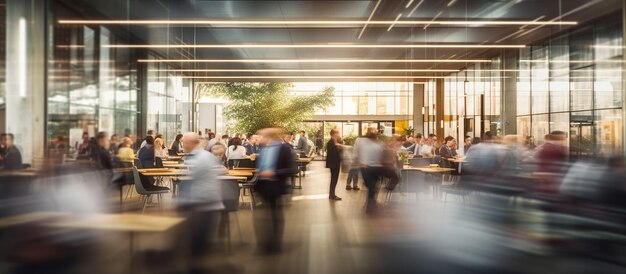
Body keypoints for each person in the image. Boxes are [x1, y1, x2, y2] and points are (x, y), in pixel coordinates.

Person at [177, 132, 225, 265]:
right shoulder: (196, 157)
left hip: (204, 206)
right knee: (195, 246)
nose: (183, 145)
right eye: (183, 142)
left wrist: (177, 204)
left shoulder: (200, 159)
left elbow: (191, 183)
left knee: (197, 247)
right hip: (200, 206)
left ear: (193, 143)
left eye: (185, 143)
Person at [254, 128, 296, 254]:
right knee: (262, 217)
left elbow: (291, 169)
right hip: (263, 186)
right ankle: (264, 244)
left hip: (276, 186)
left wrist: (273, 172)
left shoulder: (284, 149)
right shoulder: (263, 148)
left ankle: (275, 244)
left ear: (270, 137)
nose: (260, 138)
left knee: (275, 215)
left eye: (262, 136)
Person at [358, 128, 385, 214]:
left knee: (372, 187)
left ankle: (370, 205)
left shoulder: (364, 144)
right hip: (373, 168)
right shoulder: (378, 144)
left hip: (368, 168)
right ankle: (370, 206)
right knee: (372, 187)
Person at [326, 129, 343, 201]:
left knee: (334, 179)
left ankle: (332, 194)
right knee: (334, 179)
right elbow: (335, 154)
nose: (339, 135)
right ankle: (332, 195)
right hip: (334, 164)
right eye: (338, 133)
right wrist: (340, 148)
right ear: (334, 134)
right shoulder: (331, 143)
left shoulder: (334, 142)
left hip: (335, 163)